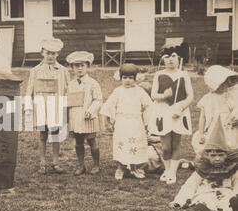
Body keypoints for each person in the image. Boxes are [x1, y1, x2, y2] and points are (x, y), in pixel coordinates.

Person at [170, 117, 238, 211]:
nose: (217, 159)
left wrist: (235, 195)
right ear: (207, 156)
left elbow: (237, 183)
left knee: (228, 202)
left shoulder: (232, 168)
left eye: (220, 155)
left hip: (225, 192)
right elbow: (190, 185)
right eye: (213, 156)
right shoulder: (202, 169)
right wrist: (179, 201)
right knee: (204, 201)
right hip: (206, 192)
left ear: (226, 155)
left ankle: (234, 209)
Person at [148, 42, 193, 184]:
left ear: (179, 58)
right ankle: (167, 169)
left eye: (173, 56)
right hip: (163, 112)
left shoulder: (183, 75)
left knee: (176, 144)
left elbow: (190, 96)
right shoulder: (159, 74)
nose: (170, 59)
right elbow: (153, 95)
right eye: (167, 57)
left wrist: (180, 107)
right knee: (166, 146)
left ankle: (172, 172)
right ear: (163, 59)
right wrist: (164, 95)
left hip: (179, 113)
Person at [25, 38, 70, 174]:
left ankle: (55, 162)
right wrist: (28, 106)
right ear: (42, 53)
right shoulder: (35, 70)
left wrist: (66, 106)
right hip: (41, 106)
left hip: (56, 105)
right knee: (43, 134)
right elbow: (29, 89)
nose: (50, 56)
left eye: (53, 53)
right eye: (48, 53)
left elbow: (68, 89)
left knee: (55, 134)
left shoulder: (63, 71)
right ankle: (42, 163)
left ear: (57, 55)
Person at [100, 63, 152, 180]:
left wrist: (146, 119)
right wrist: (110, 120)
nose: (127, 81)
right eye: (125, 78)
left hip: (135, 122)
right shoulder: (118, 91)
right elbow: (109, 105)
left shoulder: (139, 91)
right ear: (120, 78)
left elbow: (148, 105)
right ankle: (120, 168)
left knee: (134, 144)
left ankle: (133, 168)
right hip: (122, 122)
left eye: (130, 78)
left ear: (135, 79)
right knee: (121, 144)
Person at [65, 51, 102, 175]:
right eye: (76, 66)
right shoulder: (70, 84)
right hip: (75, 117)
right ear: (72, 68)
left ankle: (96, 165)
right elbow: (68, 100)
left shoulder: (93, 83)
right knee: (78, 141)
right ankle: (81, 166)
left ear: (87, 67)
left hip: (88, 117)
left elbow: (98, 99)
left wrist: (91, 111)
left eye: (82, 65)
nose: (79, 68)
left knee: (92, 141)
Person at [192, 65, 238, 154]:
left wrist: (234, 121)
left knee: (229, 146)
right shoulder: (207, 98)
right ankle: (213, 161)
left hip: (227, 127)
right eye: (221, 84)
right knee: (211, 146)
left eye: (226, 83)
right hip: (211, 127)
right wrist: (201, 132)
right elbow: (203, 117)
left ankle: (229, 161)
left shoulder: (229, 97)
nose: (224, 86)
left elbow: (235, 112)